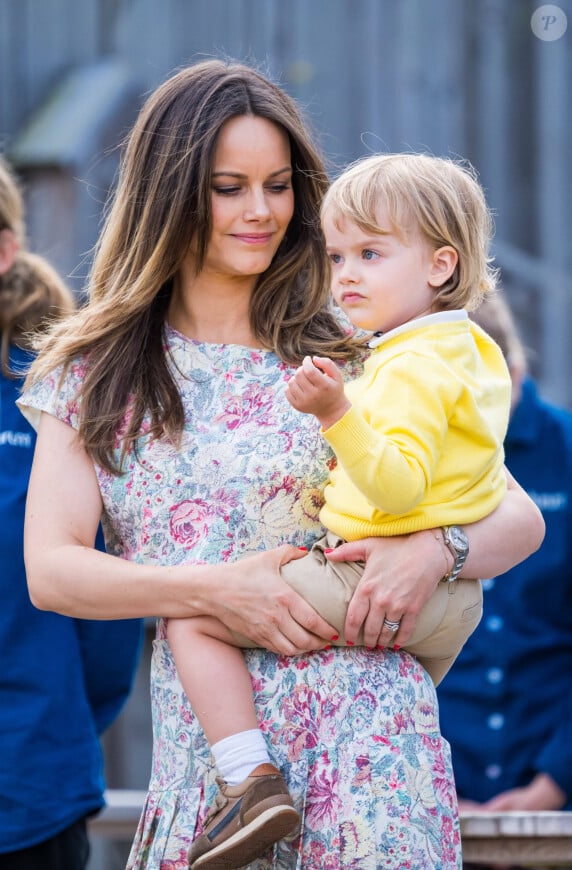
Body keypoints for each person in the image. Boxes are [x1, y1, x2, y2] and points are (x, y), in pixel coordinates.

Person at [18, 59, 544, 870]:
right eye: (229, 187)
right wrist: (209, 590)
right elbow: (52, 572)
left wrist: (435, 551)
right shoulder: (95, 365)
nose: (260, 212)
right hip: (223, 780)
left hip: (374, 757)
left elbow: (516, 515)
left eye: (278, 184)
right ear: (171, 190)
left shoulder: (359, 336)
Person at [171, 151, 512, 865]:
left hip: (372, 579)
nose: (346, 274)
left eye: (370, 253)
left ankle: (248, 782)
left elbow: (398, 488)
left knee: (193, 616)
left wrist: (335, 413)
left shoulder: (411, 365)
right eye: (337, 255)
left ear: (441, 267)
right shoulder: (465, 349)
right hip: (452, 601)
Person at [0, 147, 144, 870]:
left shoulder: (49, 397)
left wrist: (48, 727)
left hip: (29, 791)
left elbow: (106, 619)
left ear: (3, 252)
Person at [438, 292, 572, 868]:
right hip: (433, 794)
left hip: (556, 783)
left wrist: (555, 784)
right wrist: (435, 790)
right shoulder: (410, 456)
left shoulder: (564, 451)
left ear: (514, 369)